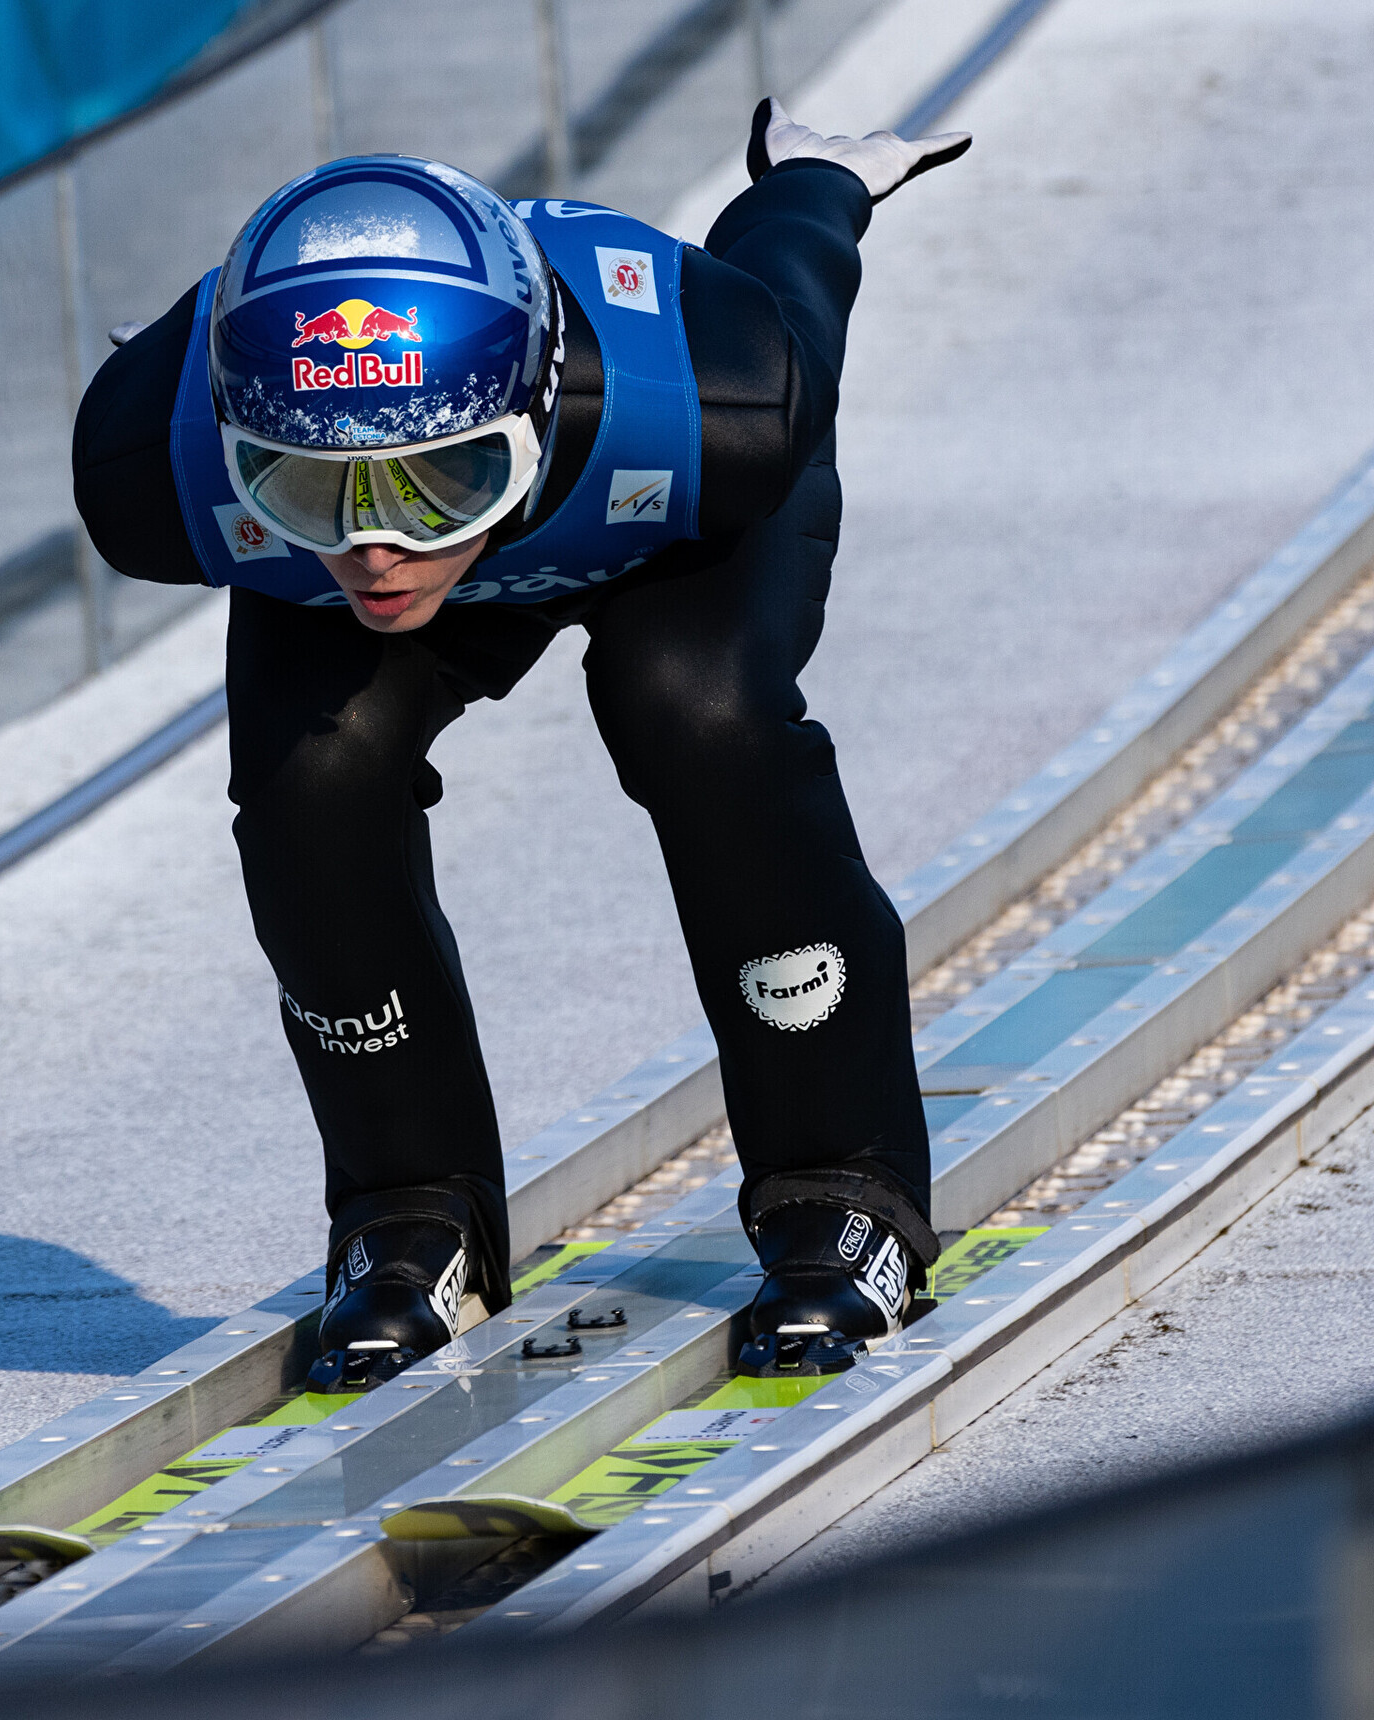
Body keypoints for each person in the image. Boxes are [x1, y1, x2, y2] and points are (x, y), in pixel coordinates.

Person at [74, 100, 970, 1389]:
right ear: (235, 439)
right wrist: (394, 500)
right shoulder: (150, 458)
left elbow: (788, 281)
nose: (376, 547)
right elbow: (312, 455)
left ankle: (845, 1181)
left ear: (536, 407)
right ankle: (405, 1212)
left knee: (699, 716)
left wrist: (818, 184)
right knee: (307, 783)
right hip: (486, 498)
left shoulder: (717, 395)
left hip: (656, 522)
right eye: (306, 483)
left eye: (441, 478)